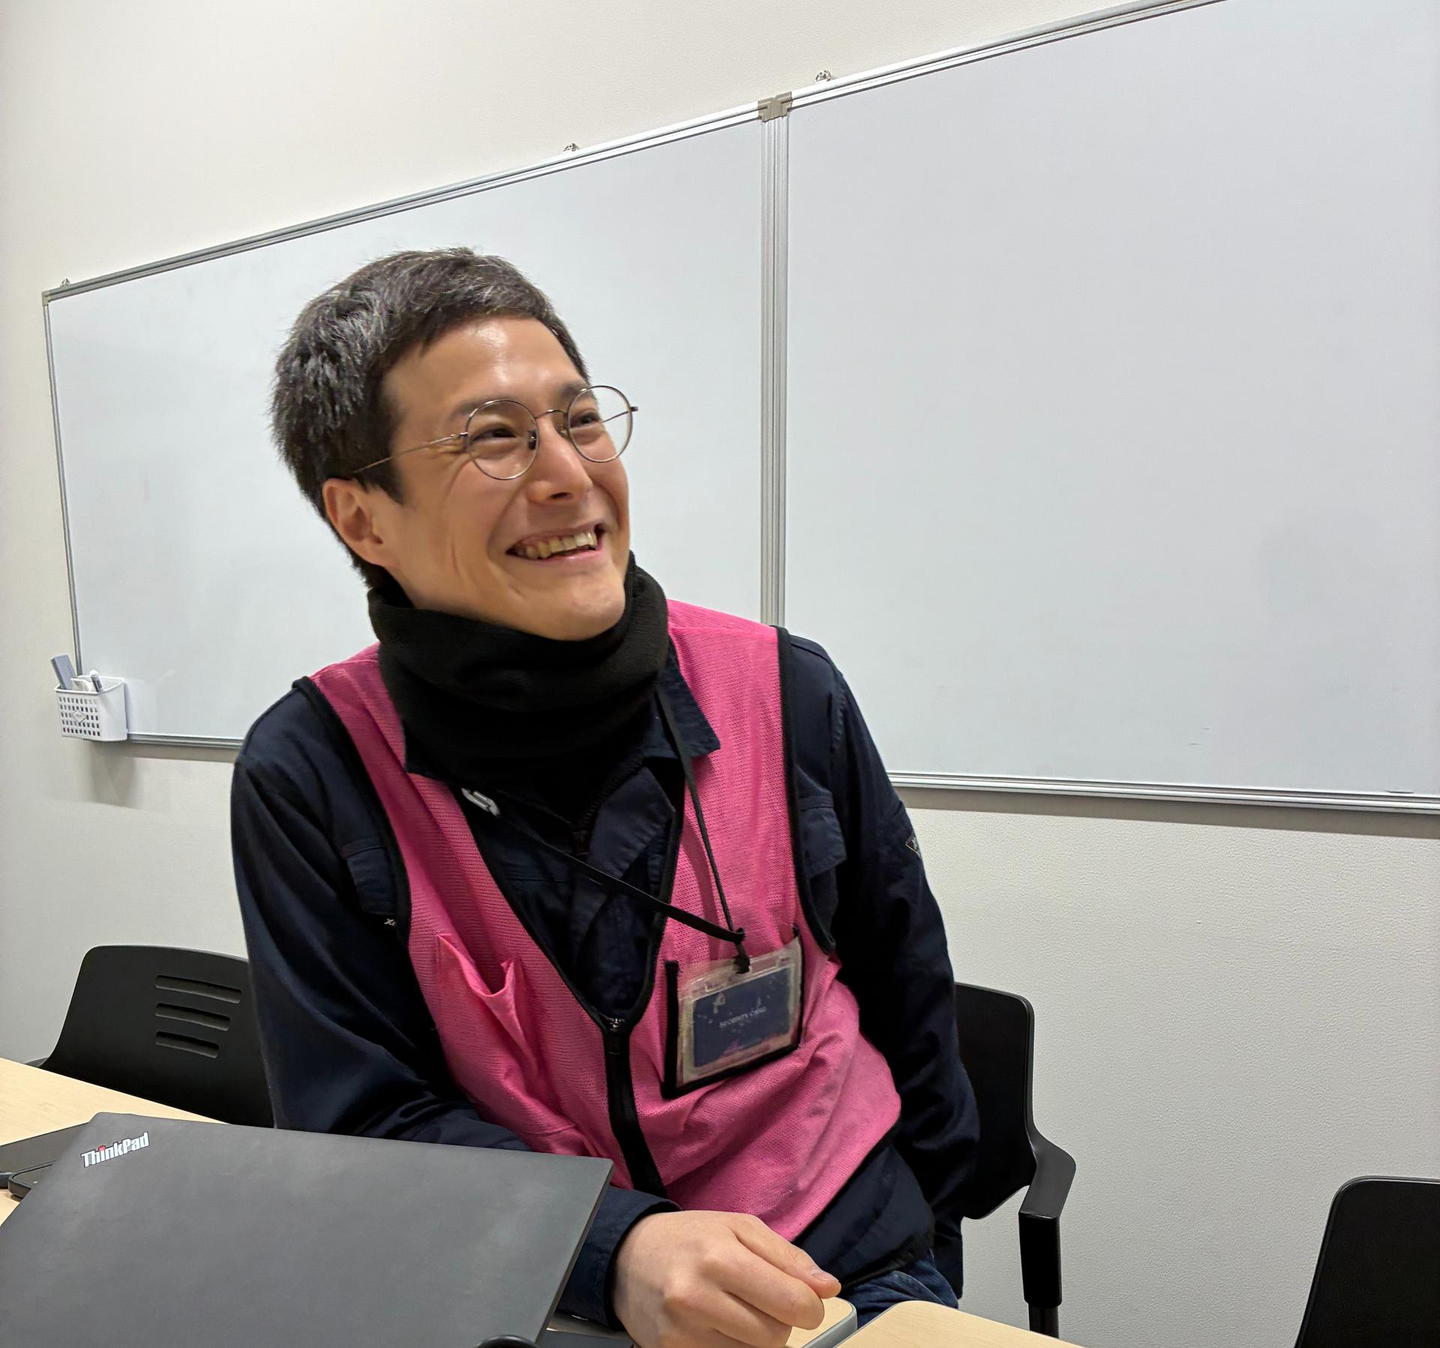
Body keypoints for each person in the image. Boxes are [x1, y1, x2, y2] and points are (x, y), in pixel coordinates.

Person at [231, 247, 978, 1346]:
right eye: (492, 437)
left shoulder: (784, 688)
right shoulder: (313, 771)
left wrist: (919, 1249)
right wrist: (610, 1247)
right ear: (363, 518)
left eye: (580, 420)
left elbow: (908, 989)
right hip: (525, 1293)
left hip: (835, 1273)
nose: (567, 475)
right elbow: (362, 1119)